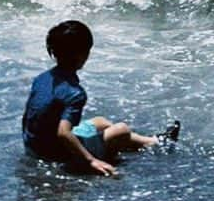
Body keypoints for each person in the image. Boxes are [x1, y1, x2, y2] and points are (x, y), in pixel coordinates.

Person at [22, 20, 179, 176]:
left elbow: (29, 115)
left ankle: (152, 141)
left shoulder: (42, 78)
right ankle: (150, 143)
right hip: (57, 154)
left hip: (34, 144)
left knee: (101, 122)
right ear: (82, 54)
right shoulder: (74, 93)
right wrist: (90, 161)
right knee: (122, 130)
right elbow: (63, 133)